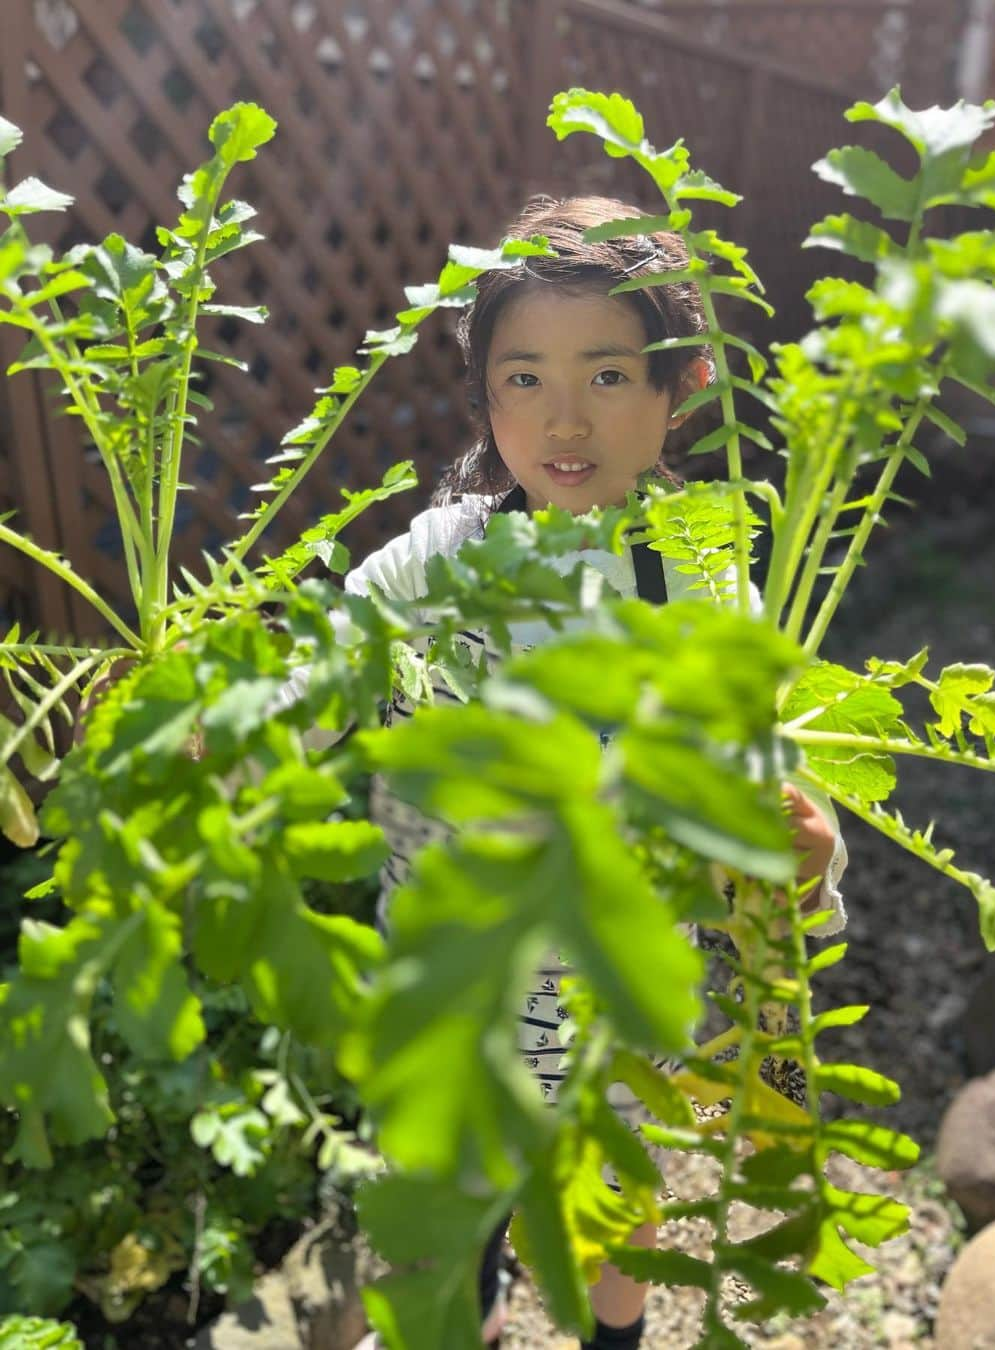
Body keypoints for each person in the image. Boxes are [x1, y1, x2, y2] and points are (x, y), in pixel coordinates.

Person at [299, 194, 849, 1349]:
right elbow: (321, 670)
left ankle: (613, 1336)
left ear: (679, 388)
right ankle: (474, 1305)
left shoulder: (710, 590)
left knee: (614, 1206)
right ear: (486, 397)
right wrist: (228, 719)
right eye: (522, 380)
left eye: (606, 377)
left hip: (620, 1005)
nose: (563, 420)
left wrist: (806, 858)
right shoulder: (441, 558)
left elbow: (777, 794)